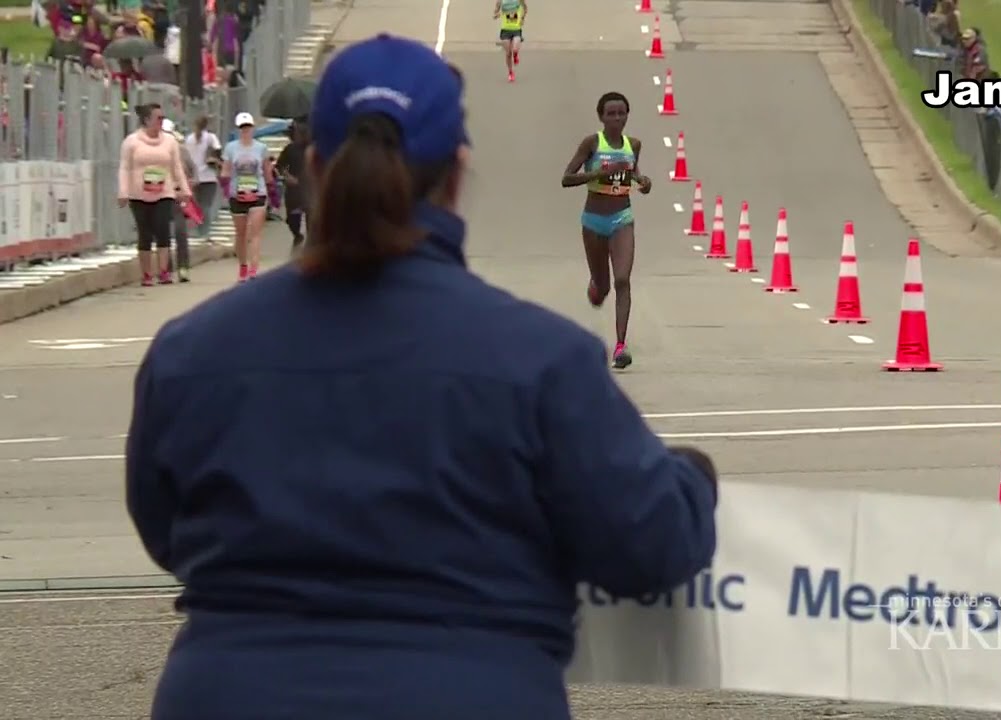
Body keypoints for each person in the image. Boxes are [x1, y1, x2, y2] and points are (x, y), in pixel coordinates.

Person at [125, 33, 717, 720]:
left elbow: (165, 530)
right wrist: (691, 478)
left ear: (314, 166)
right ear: (457, 173)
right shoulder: (540, 361)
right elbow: (651, 546)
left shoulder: (191, 353)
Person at [560, 91, 652, 370]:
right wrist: (598, 174)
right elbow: (566, 178)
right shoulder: (592, 143)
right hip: (593, 221)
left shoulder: (633, 145)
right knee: (603, 287)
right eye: (611, 114)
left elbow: (632, 174)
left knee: (622, 280)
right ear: (601, 117)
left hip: (622, 219)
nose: (616, 118)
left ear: (627, 116)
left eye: (621, 113)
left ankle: (620, 347)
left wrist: (643, 182)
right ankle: (596, 286)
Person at [117, 103, 191, 286]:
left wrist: (184, 189)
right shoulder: (132, 141)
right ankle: (146, 274)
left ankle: (164, 271)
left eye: (162, 118)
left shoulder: (170, 141)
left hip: (164, 192)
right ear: (147, 120)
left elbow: (176, 167)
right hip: (139, 194)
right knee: (145, 233)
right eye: (158, 118)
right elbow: (124, 168)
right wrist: (123, 191)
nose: (161, 121)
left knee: (162, 230)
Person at [220, 111, 273, 282]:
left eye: (248, 127)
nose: (245, 130)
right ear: (238, 129)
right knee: (241, 233)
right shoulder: (231, 148)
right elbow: (226, 170)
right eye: (242, 127)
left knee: (255, 233)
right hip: (238, 193)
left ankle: (254, 268)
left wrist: (272, 190)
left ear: (253, 128)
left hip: (258, 192)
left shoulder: (261, 148)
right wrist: (225, 186)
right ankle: (243, 265)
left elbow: (267, 170)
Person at [162, 117, 198, 282]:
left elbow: (194, 173)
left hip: (179, 198)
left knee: (180, 232)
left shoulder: (182, 151)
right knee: (163, 235)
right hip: (160, 197)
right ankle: (166, 270)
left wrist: (188, 186)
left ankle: (183, 268)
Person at [183, 114, 222, 239]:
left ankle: (197, 229)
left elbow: (186, 158)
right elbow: (218, 153)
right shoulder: (211, 138)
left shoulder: (189, 139)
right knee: (206, 205)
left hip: (193, 177)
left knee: (196, 205)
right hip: (208, 176)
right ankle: (204, 231)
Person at [274, 119, 311, 253]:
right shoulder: (290, 149)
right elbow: (280, 166)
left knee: (311, 216)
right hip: (294, 189)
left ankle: (310, 243)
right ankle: (297, 234)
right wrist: (287, 176)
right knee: (292, 218)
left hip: (310, 188)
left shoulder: (314, 149)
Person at [492, 0, 527, 83]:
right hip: (505, 30)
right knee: (508, 53)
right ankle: (510, 72)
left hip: (516, 29)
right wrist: (496, 15)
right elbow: (496, 12)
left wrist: (522, 18)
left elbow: (525, 8)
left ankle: (515, 55)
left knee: (515, 49)